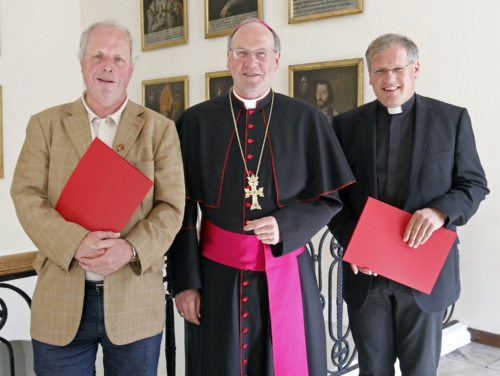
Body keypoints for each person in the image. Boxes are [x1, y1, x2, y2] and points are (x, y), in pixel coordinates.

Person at [169, 18, 354, 376]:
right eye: (241, 53)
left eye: (260, 53)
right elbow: (181, 211)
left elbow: (330, 200)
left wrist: (286, 225)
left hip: (286, 270)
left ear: (276, 60)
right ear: (227, 59)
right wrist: (186, 283)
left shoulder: (306, 120)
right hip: (216, 277)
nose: (250, 62)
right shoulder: (195, 122)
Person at [10, 20, 185, 375]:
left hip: (134, 300)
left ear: (131, 68)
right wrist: (74, 242)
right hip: (61, 297)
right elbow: (26, 194)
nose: (108, 66)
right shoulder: (45, 125)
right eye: (99, 56)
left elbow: (171, 207)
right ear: (82, 63)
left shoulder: (160, 129)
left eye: (119, 59)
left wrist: (130, 249)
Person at [329, 33, 489, 375]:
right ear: (369, 75)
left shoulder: (452, 119)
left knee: (420, 370)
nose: (390, 79)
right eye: (380, 71)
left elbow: (474, 185)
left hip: (424, 272)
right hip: (367, 275)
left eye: (398, 69)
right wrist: (353, 242)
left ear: (415, 69)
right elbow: (332, 197)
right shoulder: (344, 126)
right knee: (373, 369)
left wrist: (439, 211)